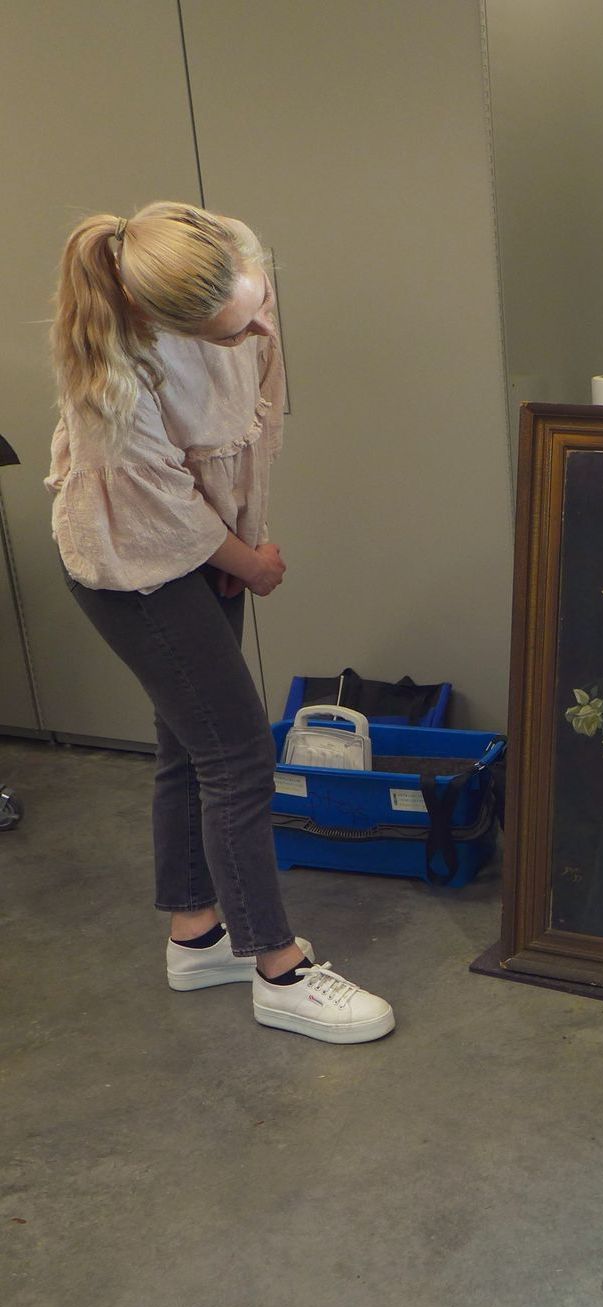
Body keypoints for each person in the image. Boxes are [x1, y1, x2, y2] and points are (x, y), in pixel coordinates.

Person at [47, 200, 394, 1044]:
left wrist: (241, 535)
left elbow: (246, 434)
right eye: (237, 331)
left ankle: (198, 934)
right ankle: (277, 967)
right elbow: (166, 519)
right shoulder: (113, 387)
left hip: (204, 551)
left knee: (188, 741)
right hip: (136, 570)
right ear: (164, 325)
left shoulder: (225, 257)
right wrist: (249, 559)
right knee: (236, 754)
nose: (262, 329)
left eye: (263, 299)